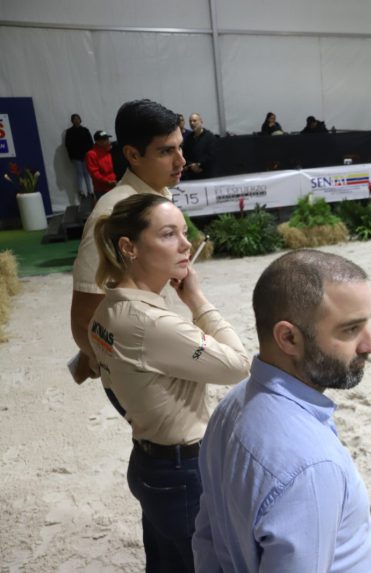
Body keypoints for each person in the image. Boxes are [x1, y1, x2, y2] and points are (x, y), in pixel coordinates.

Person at [89, 193, 250, 571]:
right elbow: (239, 365)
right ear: (129, 247)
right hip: (182, 473)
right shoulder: (153, 323)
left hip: (149, 464)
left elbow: (110, 385)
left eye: (183, 231)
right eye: (168, 234)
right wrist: (196, 299)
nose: (186, 243)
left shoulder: (109, 306)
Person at [192, 250, 371, 572]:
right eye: (350, 330)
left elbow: (207, 536)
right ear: (289, 338)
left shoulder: (230, 407)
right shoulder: (311, 466)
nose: (370, 344)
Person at [70, 99, 186, 387]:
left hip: (169, 349)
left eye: (180, 147)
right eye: (166, 151)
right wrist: (129, 380)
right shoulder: (111, 216)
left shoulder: (158, 195)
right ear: (133, 155)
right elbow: (83, 319)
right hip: (146, 376)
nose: (181, 160)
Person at [65, 113, 94, 200]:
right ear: (72, 121)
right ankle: (81, 191)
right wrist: (71, 156)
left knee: (87, 173)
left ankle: (90, 191)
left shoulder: (85, 130)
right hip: (76, 156)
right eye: (74, 119)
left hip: (85, 155)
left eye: (78, 118)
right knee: (79, 173)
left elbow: (90, 143)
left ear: (80, 120)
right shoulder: (69, 132)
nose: (76, 120)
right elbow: (68, 145)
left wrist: (90, 154)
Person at [183, 113, 217, 180]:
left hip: (208, 174)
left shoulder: (210, 137)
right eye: (190, 121)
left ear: (201, 121)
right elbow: (185, 154)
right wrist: (192, 165)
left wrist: (199, 164)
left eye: (194, 120)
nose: (192, 123)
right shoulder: (188, 138)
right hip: (192, 175)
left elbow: (212, 155)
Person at [85, 130, 117, 199]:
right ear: (98, 142)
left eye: (107, 139)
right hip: (101, 189)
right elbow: (94, 173)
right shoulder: (91, 154)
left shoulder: (108, 152)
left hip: (113, 185)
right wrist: (107, 181)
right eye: (105, 139)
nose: (108, 141)